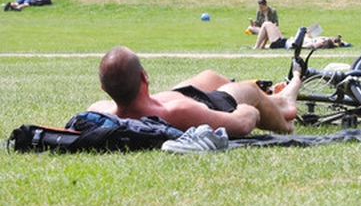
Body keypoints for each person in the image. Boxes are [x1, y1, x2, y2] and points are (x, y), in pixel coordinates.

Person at [88, 46, 303, 137]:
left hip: (171, 97)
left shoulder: (100, 110)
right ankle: (284, 108)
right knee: (248, 91)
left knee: (209, 76)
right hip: (208, 105)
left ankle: (274, 98)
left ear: (103, 88)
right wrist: (250, 110)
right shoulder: (179, 112)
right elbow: (243, 124)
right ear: (144, 77)